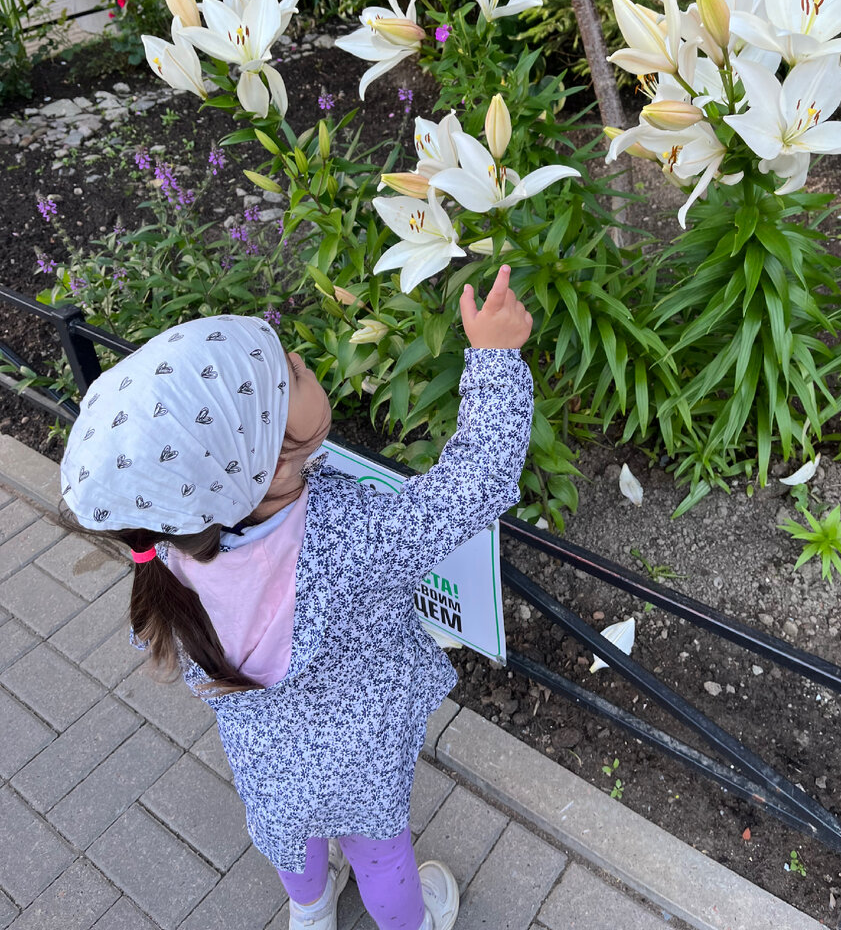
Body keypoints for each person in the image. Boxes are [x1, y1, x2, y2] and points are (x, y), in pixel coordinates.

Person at [59, 265, 534, 930]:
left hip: (268, 755)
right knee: (382, 857)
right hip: (360, 754)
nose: (304, 361)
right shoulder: (353, 536)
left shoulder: (173, 553)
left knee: (291, 835)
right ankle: (413, 922)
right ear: (273, 460)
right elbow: (469, 487)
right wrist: (494, 356)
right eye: (291, 376)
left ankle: (309, 911)